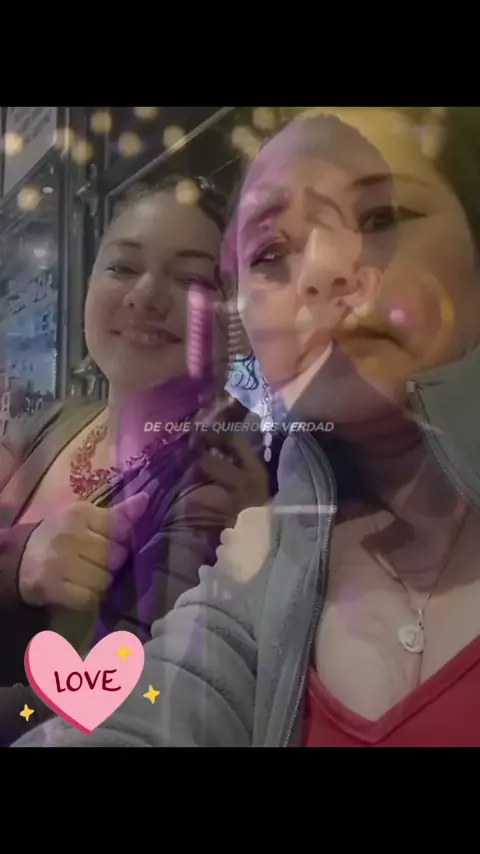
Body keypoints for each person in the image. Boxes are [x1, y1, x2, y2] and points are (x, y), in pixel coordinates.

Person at [16, 106, 480, 748]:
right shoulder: (272, 549)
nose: (319, 270)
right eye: (271, 253)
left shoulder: (228, 480)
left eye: (381, 217)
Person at [0, 174, 271, 746]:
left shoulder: (226, 472)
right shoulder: (51, 423)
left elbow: (117, 702)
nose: (146, 297)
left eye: (193, 279)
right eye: (123, 267)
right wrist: (18, 564)